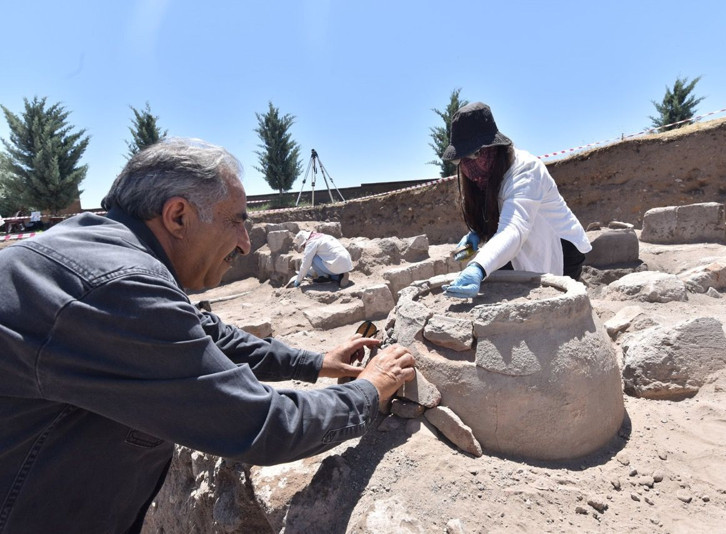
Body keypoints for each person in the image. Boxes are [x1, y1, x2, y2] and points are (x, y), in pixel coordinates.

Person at [0, 138, 416, 533]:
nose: (245, 243)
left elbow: (200, 331)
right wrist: (367, 391)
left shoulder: (99, 247)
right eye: (236, 221)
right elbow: (260, 424)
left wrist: (314, 363)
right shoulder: (120, 287)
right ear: (178, 216)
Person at [442, 102, 592, 298]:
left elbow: (514, 228)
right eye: (461, 159)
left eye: (475, 154)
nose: (469, 166)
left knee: (550, 310)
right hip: (522, 245)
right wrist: (477, 233)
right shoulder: (486, 176)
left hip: (561, 247)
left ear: (493, 148)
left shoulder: (526, 170)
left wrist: (477, 267)